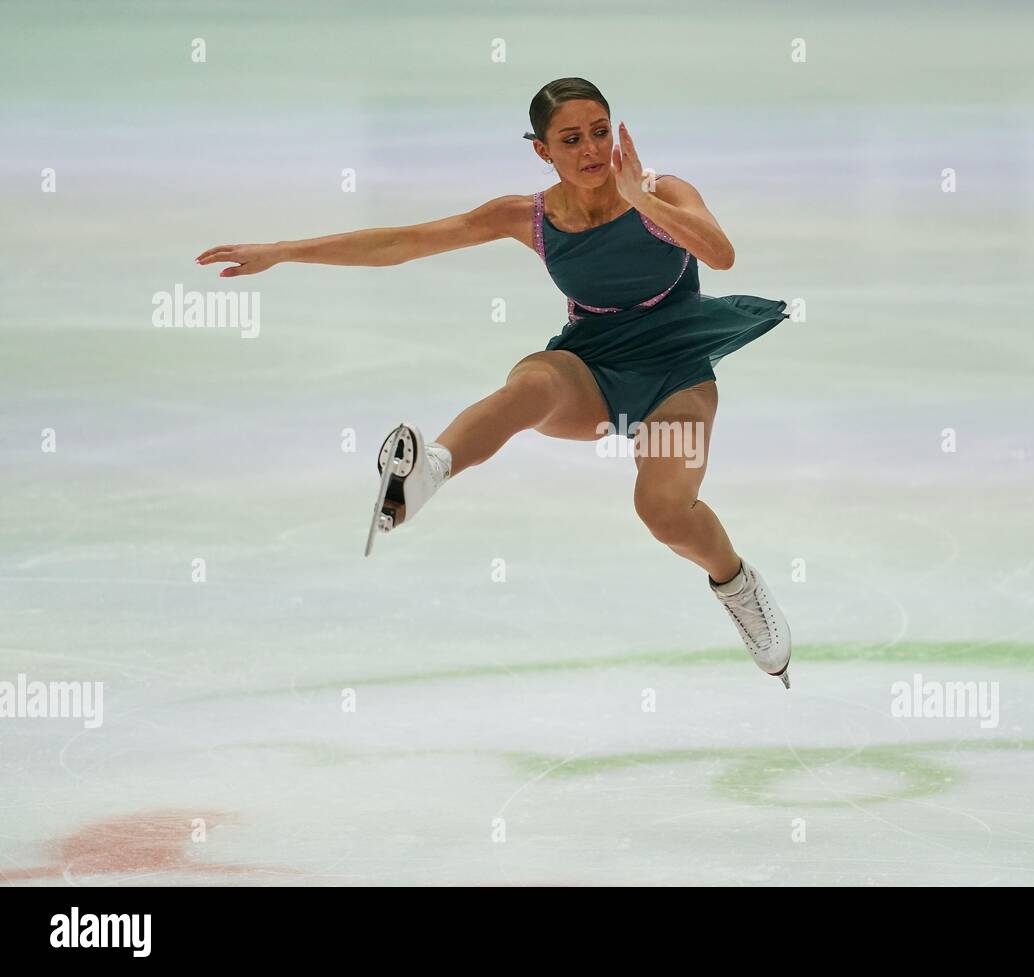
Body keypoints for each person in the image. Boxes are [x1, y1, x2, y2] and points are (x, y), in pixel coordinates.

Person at [196, 78, 792, 687]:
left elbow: (720, 255)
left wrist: (643, 202)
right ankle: (427, 472)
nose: (590, 150)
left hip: (677, 368)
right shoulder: (527, 216)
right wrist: (283, 251)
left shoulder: (662, 190)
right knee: (532, 384)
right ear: (543, 151)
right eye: (571, 139)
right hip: (592, 366)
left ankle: (737, 585)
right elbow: (405, 242)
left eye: (599, 133)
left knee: (662, 511)